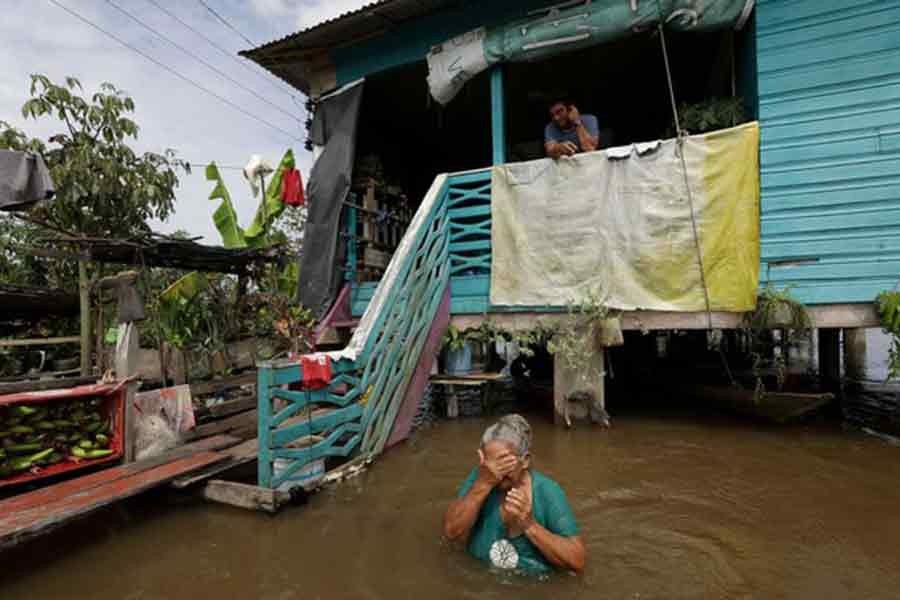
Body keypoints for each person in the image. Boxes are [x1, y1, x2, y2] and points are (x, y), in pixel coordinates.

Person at [442, 414, 586, 574]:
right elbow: (451, 531)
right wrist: (482, 485)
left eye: (505, 464)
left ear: (525, 460)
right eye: (492, 465)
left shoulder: (547, 492)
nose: (497, 473)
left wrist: (530, 525)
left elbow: (577, 560)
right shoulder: (481, 478)